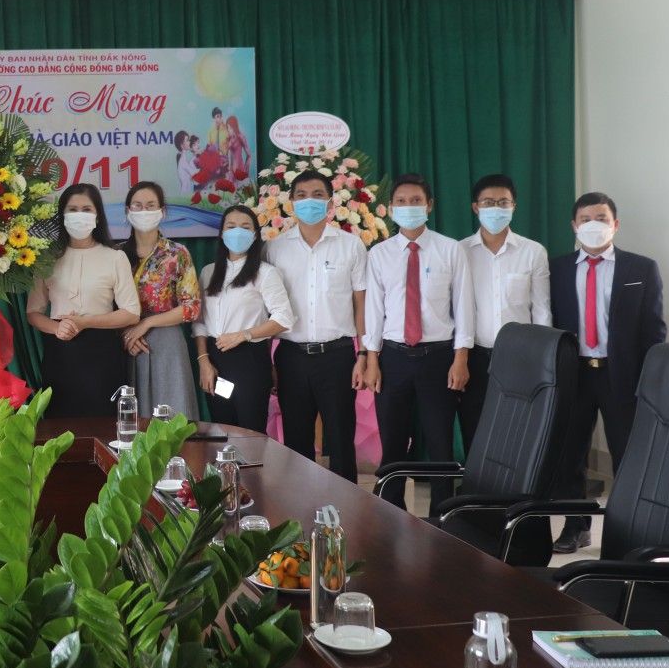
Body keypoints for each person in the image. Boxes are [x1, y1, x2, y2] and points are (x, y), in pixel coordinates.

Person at [548, 191, 666, 553]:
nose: (593, 225)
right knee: (570, 455)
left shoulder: (641, 268)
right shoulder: (557, 268)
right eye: (586, 219)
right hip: (575, 374)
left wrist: (649, 381)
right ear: (574, 225)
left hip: (622, 375)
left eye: (601, 219)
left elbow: (654, 330)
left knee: (626, 456)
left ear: (615, 224)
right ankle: (576, 526)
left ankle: (626, 530)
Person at [363, 174, 474, 512]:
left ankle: (443, 515)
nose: (408, 207)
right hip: (392, 358)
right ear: (390, 208)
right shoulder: (379, 254)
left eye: (416, 201)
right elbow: (373, 311)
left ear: (429, 206)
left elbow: (464, 306)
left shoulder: (450, 249)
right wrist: (372, 361)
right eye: (401, 201)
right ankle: (390, 512)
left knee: (440, 442)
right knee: (393, 442)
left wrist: (461, 359)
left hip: (438, 359)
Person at [265, 170, 367, 482]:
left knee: (341, 440)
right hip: (291, 356)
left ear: (330, 202)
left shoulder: (351, 246)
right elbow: (266, 310)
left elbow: (361, 305)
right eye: (302, 195)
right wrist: (269, 362)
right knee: (296, 442)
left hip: (338, 356)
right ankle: (300, 504)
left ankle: (347, 508)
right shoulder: (274, 249)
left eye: (318, 195)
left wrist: (363, 354)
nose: (309, 201)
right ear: (291, 202)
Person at [27, 184, 141, 418]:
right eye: (73, 209)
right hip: (60, 352)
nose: (79, 215)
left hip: (101, 353)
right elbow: (33, 312)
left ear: (97, 216)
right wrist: (57, 328)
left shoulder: (115, 258)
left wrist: (86, 322)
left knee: (102, 423)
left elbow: (131, 313)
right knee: (59, 423)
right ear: (63, 216)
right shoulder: (46, 259)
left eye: (86, 209)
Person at [458, 174, 551, 452]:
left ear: (513, 207)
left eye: (503, 202)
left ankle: (514, 481)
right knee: (474, 426)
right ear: (475, 207)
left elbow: (542, 310)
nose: (496, 208)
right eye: (488, 202)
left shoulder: (533, 252)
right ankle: (475, 479)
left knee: (517, 428)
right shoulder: (460, 251)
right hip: (474, 356)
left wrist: (541, 358)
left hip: (520, 356)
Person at [192, 204, 294, 432]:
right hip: (216, 360)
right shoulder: (208, 272)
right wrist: (204, 361)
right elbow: (199, 322)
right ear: (221, 233)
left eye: (245, 227)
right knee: (222, 430)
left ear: (255, 235)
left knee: (251, 432)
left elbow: (283, 318)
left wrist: (244, 335)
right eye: (231, 226)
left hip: (249, 359)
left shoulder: (266, 272)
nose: (237, 232)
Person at [119, 182, 201, 420]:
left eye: (150, 205)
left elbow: (192, 307)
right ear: (127, 211)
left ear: (162, 211)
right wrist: (125, 334)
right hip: (127, 342)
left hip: (167, 341)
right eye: (137, 205)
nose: (144, 211)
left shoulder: (177, 253)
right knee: (131, 419)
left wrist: (146, 323)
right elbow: (106, 305)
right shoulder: (116, 254)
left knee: (171, 416)